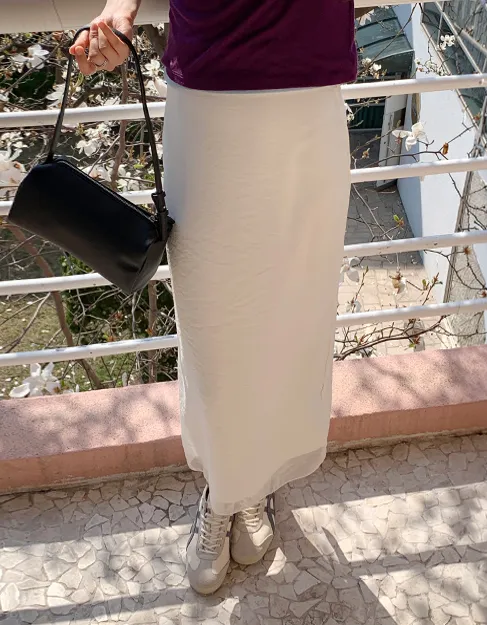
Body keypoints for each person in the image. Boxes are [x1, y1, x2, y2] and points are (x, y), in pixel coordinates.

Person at [71, 0, 366, 596]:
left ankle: (251, 487)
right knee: (214, 327)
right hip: (209, 100)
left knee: (292, 315)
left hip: (308, 100)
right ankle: (224, 490)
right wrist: (120, 9)